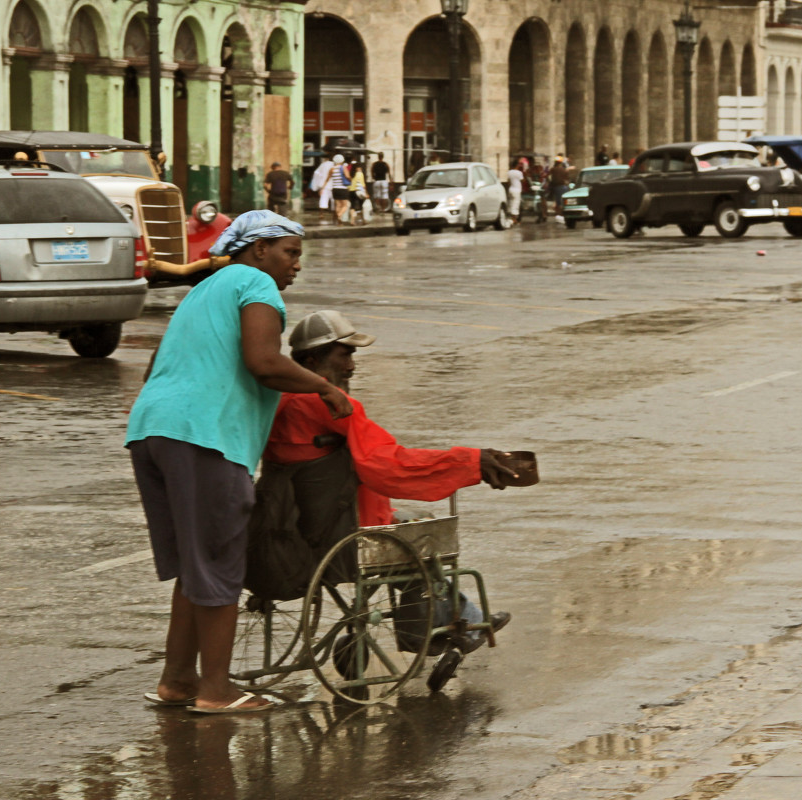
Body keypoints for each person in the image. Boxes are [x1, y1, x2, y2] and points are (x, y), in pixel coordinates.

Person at [127, 211, 354, 714]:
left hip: (153, 431)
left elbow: (155, 367)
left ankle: (177, 682)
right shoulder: (254, 283)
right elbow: (263, 361)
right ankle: (216, 691)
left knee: (194, 563)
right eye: (290, 253)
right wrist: (324, 388)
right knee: (220, 561)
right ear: (258, 250)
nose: (296, 265)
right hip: (203, 436)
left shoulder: (206, 290)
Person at [263, 310, 514, 646]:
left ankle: (464, 622)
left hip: (293, 530)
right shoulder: (327, 404)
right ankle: (448, 631)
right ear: (312, 359)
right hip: (342, 533)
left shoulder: (277, 401)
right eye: (344, 354)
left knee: (409, 530)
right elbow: (389, 464)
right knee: (420, 533)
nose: (351, 365)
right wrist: (469, 461)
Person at [310, 153, 334, 223]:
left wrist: (317, 185)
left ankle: (321, 214)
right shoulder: (333, 164)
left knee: (323, 200)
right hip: (333, 185)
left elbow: (316, 173)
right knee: (333, 200)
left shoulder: (322, 165)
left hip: (324, 185)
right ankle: (334, 214)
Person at [329, 153, 351, 225]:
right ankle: (339, 215)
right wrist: (350, 179)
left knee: (338, 205)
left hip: (335, 189)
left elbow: (328, 178)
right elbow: (347, 176)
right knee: (345, 205)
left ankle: (339, 221)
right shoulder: (343, 167)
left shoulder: (332, 169)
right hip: (343, 188)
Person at [548, 156, 570, 222]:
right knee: (563, 201)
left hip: (557, 187)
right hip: (564, 186)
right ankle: (563, 214)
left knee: (559, 202)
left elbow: (547, 175)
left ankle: (559, 215)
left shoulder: (553, 169)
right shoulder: (564, 169)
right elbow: (567, 179)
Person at [506, 159, 525, 224]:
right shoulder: (519, 173)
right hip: (517, 190)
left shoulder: (509, 172)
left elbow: (508, 181)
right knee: (516, 204)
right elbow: (522, 180)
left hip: (511, 189)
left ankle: (512, 218)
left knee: (511, 203)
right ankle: (514, 219)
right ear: (517, 165)